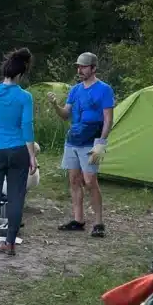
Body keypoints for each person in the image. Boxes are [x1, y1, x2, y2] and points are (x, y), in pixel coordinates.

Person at [0, 48, 38, 260]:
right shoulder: (25, 97)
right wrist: (32, 156)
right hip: (19, 150)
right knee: (16, 197)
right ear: (21, 74)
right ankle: (9, 244)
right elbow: (27, 127)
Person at [47, 51, 115, 238]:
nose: (80, 70)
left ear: (93, 68)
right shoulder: (75, 90)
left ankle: (99, 222)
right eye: (78, 66)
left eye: (84, 66)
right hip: (73, 141)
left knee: (90, 181)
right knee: (74, 180)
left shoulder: (104, 89)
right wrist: (55, 105)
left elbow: (108, 119)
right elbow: (65, 115)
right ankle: (78, 220)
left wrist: (101, 144)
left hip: (93, 141)